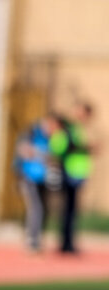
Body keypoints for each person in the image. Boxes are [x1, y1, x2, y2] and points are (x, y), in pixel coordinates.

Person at [49, 102, 95, 254]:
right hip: (69, 172)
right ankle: (66, 243)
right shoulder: (70, 129)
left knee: (72, 210)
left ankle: (68, 242)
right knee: (68, 210)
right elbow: (60, 146)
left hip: (77, 173)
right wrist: (84, 148)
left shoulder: (79, 129)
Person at [13, 114, 61, 253]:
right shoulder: (31, 133)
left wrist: (40, 154)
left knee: (43, 209)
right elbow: (24, 151)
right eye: (53, 126)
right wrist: (43, 155)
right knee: (36, 208)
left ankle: (37, 238)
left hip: (44, 178)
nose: (55, 130)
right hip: (29, 177)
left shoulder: (52, 138)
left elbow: (54, 157)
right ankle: (32, 240)